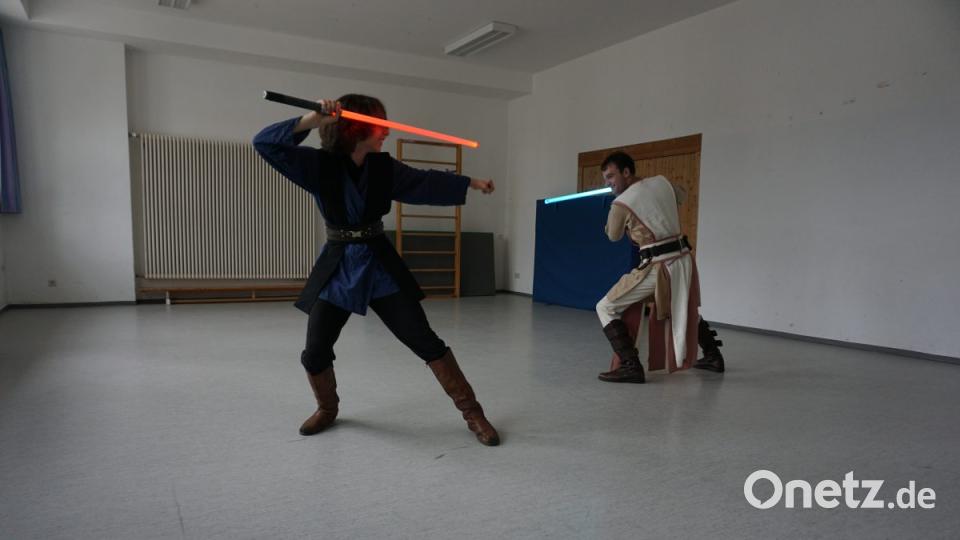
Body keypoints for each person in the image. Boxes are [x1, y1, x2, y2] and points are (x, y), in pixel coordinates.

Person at [253, 94, 499, 446]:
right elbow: (264, 144)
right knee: (315, 350)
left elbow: (423, 181)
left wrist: (471, 182)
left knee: (424, 340)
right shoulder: (318, 166)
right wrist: (314, 119)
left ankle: (473, 413)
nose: (386, 130)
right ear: (355, 127)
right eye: (379, 123)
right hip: (338, 267)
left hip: (378, 265)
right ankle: (327, 408)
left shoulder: (384, 168)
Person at [594, 151, 725, 383]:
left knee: (605, 307)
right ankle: (713, 355)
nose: (608, 183)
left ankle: (630, 365)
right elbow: (681, 195)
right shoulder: (662, 183)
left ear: (626, 172)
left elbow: (613, 235)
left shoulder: (621, 203)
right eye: (606, 178)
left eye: (611, 176)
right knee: (681, 306)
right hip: (683, 260)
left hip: (658, 266)